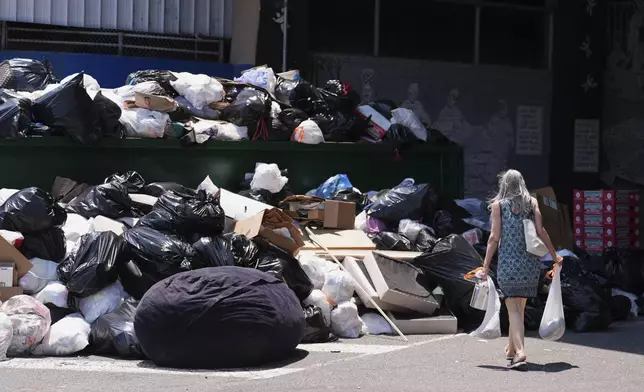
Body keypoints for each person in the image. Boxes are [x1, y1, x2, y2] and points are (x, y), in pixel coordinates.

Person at [480, 170, 563, 369]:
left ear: (504, 185)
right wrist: (555, 256)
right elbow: (542, 232)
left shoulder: (498, 206)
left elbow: (493, 238)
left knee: (513, 310)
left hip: (508, 265)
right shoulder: (532, 203)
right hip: (529, 265)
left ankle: (520, 352)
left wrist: (484, 266)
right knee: (520, 307)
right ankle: (510, 348)